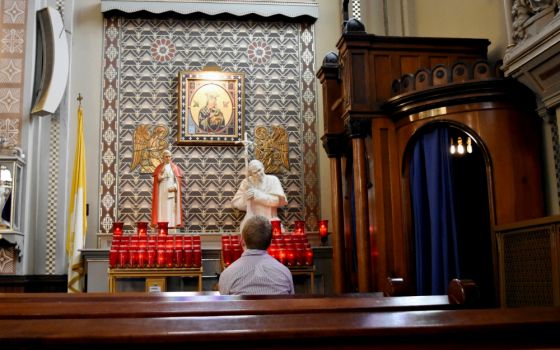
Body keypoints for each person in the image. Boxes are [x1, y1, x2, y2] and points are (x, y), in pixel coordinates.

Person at [219, 215, 294, 295]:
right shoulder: (284, 272)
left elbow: (224, 304)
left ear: (242, 241)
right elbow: (291, 303)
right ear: (270, 243)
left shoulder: (228, 274)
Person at [231, 159, 287, 233]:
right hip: (251, 223)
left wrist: (256, 194)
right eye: (255, 173)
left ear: (263, 167)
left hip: (271, 222)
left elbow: (276, 201)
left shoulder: (273, 180)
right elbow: (236, 204)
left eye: (259, 170)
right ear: (251, 174)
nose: (258, 174)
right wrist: (245, 197)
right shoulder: (246, 182)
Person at [151, 150, 184, 228]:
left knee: (171, 207)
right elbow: (157, 179)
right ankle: (161, 224)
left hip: (171, 190)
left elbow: (178, 181)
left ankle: (171, 224)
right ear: (163, 157)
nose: (168, 158)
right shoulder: (159, 167)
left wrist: (175, 187)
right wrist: (161, 174)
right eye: (166, 156)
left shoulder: (175, 167)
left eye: (169, 156)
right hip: (162, 190)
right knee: (162, 207)